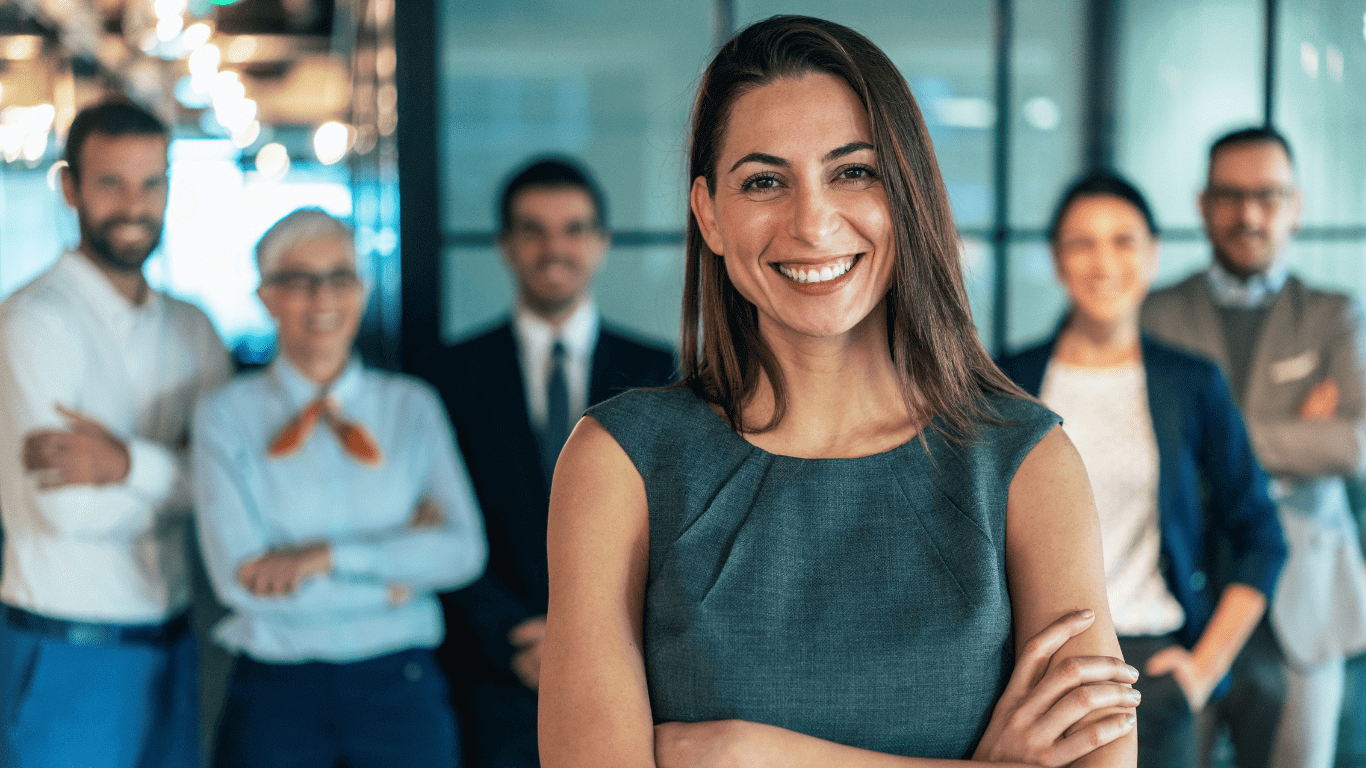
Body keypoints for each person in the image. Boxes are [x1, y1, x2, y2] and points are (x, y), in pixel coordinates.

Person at [539, 16, 1139, 768]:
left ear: (907, 192)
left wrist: (741, 753)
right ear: (709, 216)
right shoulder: (618, 463)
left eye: (853, 171)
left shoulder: (1025, 464)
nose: (814, 223)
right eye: (764, 181)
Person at [998, 171, 1287, 768]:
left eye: (1123, 241)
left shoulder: (1191, 383)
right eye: (1082, 243)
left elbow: (1261, 537)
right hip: (1035, 674)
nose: (1103, 261)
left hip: (1150, 671)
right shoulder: (1008, 381)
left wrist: (1201, 672)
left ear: (1153, 256)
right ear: (1056, 260)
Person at [193, 209, 488, 767]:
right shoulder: (223, 417)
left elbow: (463, 552)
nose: (323, 299)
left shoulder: (412, 407)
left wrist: (322, 558)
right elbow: (240, 582)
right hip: (277, 691)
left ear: (363, 288)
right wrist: (397, 574)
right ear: (265, 297)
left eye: (339, 278)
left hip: (400, 684)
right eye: (299, 281)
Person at [0, 99, 231, 767]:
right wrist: (174, 471)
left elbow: (228, 483)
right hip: (69, 653)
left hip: (175, 646)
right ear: (70, 187)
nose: (135, 205)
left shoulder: (195, 328)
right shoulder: (32, 324)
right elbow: (63, 509)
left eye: (151, 182)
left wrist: (124, 465)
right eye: (110, 183)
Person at [432, 156, 676, 768]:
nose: (554, 248)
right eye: (533, 230)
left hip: (628, 669)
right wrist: (513, 635)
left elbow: (671, 526)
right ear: (505, 246)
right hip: (496, 669)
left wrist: (594, 639)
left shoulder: (659, 372)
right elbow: (433, 518)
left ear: (602, 243)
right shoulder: (451, 376)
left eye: (573, 229)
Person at [1141, 127, 1366, 768]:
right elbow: (1142, 442)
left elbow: (1353, 442)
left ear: (1296, 206)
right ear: (1202, 205)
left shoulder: (1335, 315)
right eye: (1231, 195)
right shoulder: (1157, 313)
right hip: (1183, 591)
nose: (1249, 214)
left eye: (1268, 196)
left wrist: (1214, 438)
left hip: (1306, 601)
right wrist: (1296, 434)